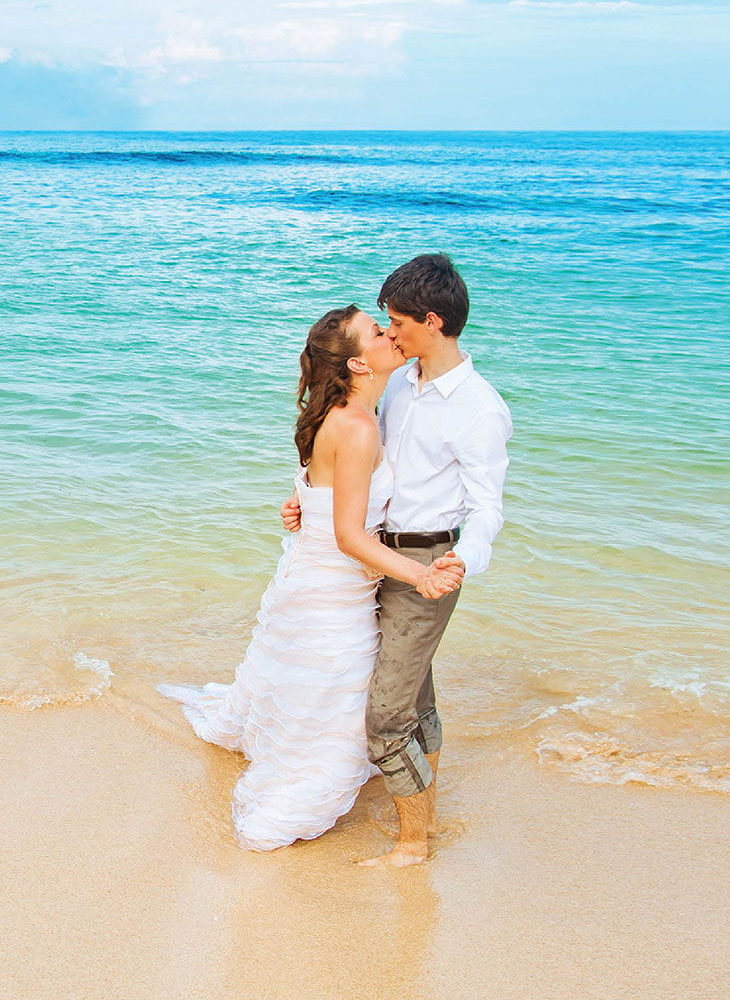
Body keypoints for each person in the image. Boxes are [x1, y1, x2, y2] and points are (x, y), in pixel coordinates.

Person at [158, 304, 462, 852]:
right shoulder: (359, 425)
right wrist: (422, 577)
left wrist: (299, 505)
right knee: (334, 699)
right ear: (358, 364)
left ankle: (293, 751)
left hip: (313, 576)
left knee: (315, 689)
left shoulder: (343, 411)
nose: (390, 333)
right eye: (377, 331)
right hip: (332, 588)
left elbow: (316, 490)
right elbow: (350, 537)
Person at [282, 254, 513, 866]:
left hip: (428, 562)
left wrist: (462, 560)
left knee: (385, 714)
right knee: (417, 697)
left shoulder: (480, 409)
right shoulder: (398, 387)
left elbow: (489, 508)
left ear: (431, 322)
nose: (390, 331)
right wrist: (310, 496)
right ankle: (426, 822)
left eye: (396, 321)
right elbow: (354, 463)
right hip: (377, 557)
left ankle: (412, 843)